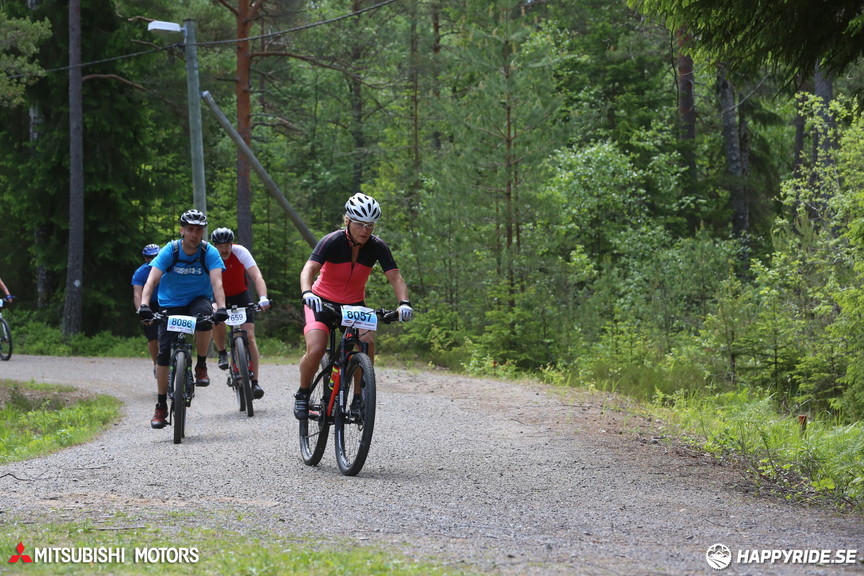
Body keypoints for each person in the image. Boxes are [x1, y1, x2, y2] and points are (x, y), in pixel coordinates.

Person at [294, 193, 413, 420]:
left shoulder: (377, 246)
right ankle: (302, 393)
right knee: (317, 347)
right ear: (348, 221)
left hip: (354, 304)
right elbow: (308, 269)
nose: (365, 230)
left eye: (370, 225)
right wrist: (307, 292)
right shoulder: (332, 240)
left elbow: (396, 277)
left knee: (366, 343)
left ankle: (359, 398)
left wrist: (404, 303)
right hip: (321, 300)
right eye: (360, 224)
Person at [137, 209, 228, 429]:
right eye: (190, 230)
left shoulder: (209, 252)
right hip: (170, 303)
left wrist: (222, 307)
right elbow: (151, 281)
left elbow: (217, 284)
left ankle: (202, 364)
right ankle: (161, 406)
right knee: (163, 354)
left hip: (198, 299)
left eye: (198, 230)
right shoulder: (171, 250)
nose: (194, 235)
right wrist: (144, 305)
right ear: (182, 231)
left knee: (206, 317)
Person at [209, 227, 271, 400]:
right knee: (216, 318)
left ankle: (255, 382)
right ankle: (222, 351)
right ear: (215, 246)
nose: (224, 249)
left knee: (249, 337)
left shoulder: (240, 252)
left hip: (241, 295)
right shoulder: (209, 256)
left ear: (231, 243)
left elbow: (257, 276)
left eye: (227, 245)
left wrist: (263, 297)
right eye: (220, 246)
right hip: (218, 295)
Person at [131, 243, 161, 372]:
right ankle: (156, 364)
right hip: (149, 304)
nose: (153, 260)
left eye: (156, 256)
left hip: (166, 302)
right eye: (149, 257)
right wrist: (141, 311)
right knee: (153, 337)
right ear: (145, 259)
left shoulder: (167, 269)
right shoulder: (140, 273)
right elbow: (137, 294)